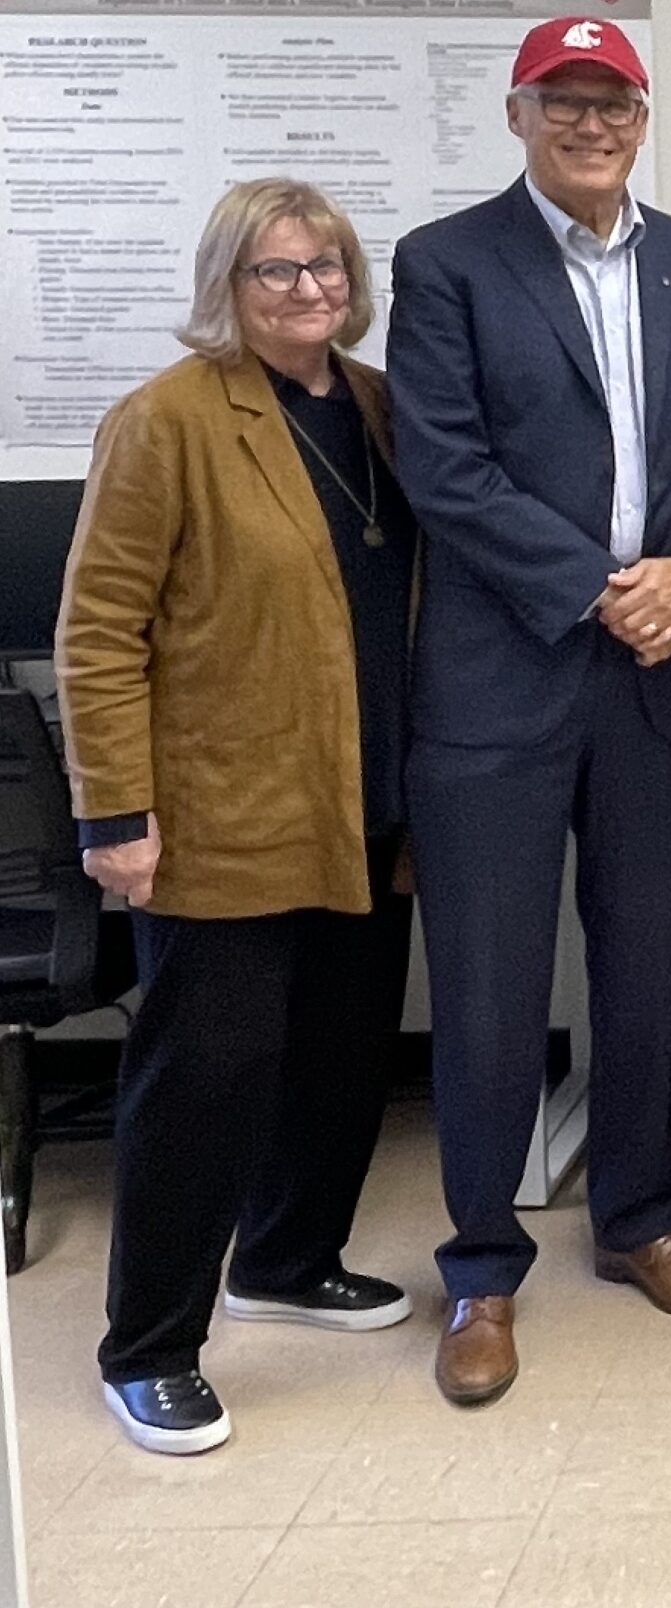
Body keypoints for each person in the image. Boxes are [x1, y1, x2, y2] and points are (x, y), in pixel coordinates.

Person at [389, 15, 671, 1407]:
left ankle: (639, 1222)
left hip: (655, 680)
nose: (592, 124)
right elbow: (444, 465)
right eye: (567, 102)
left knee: (634, 970)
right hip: (502, 680)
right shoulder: (446, 264)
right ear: (520, 113)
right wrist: (606, 585)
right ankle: (482, 1270)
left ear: (641, 116)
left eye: (614, 103)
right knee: (487, 988)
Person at [57, 181, 418, 1454]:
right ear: (227, 282)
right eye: (275, 270)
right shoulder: (164, 421)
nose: (307, 289)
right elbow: (99, 630)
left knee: (338, 1056)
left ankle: (286, 1260)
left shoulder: (374, 405)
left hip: (365, 806)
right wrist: (116, 812)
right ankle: (147, 1345)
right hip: (226, 810)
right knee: (205, 1080)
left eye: (325, 266)